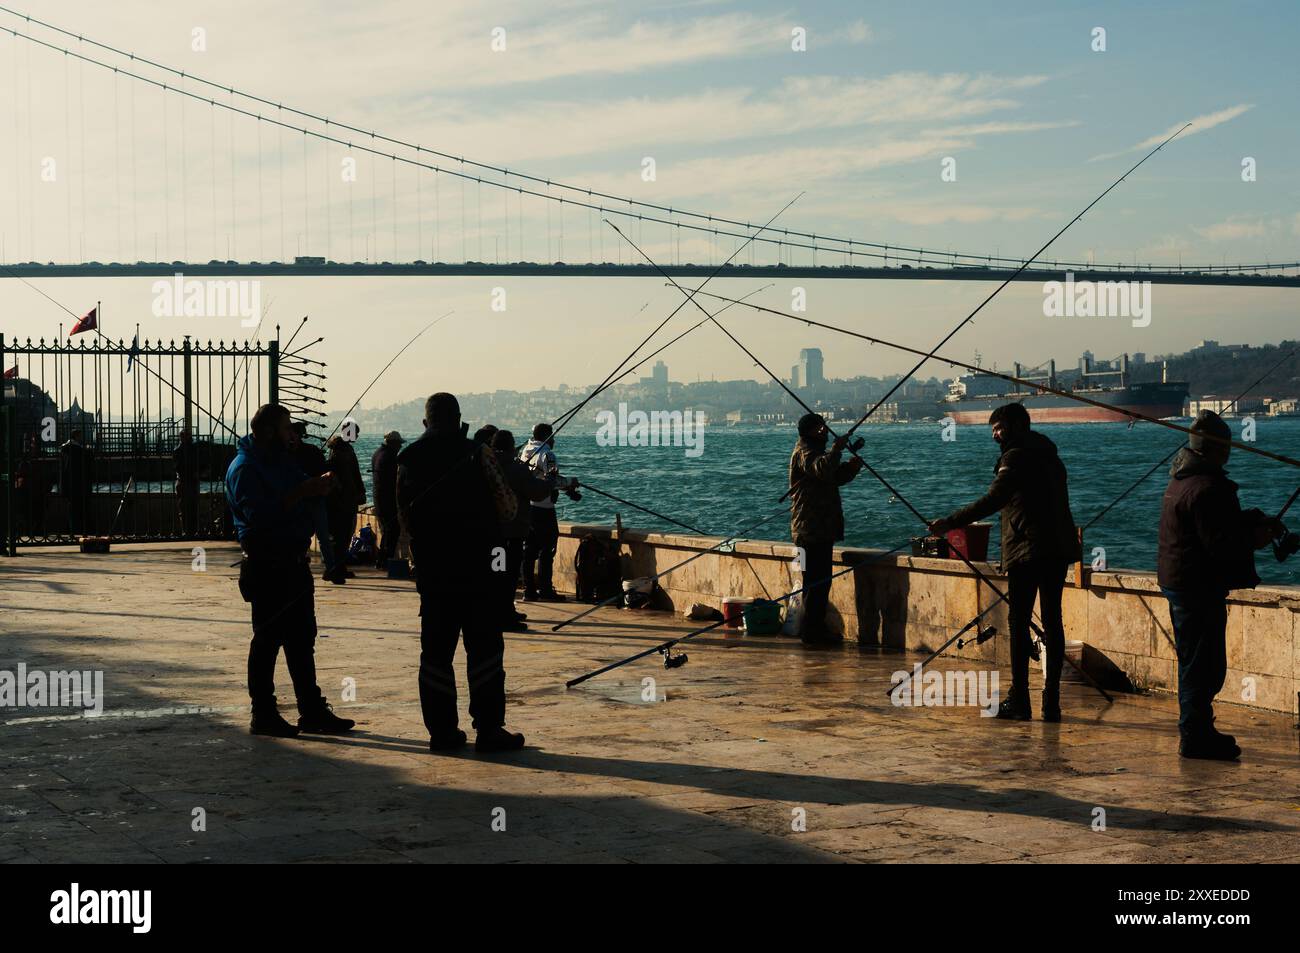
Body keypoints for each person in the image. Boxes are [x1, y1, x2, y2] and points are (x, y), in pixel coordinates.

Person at [929, 402, 1077, 722]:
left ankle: (1019, 700)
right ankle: (1051, 703)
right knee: (1053, 621)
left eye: (998, 428)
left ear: (1014, 427)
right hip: (1058, 548)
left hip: (1027, 550)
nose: (995, 435)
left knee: (1018, 622)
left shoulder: (1015, 456)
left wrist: (950, 522)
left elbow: (994, 499)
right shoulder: (1051, 456)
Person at [397, 393, 524, 753]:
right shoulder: (478, 453)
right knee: (484, 651)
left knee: (435, 655)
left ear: (425, 422)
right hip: (478, 572)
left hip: (435, 575)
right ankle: (488, 729)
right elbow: (508, 508)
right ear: (458, 419)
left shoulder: (407, 459)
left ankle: (442, 733)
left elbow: (404, 518)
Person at [1157, 410, 1285, 760]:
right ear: (1219, 449)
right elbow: (1221, 545)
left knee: (1192, 660)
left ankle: (1196, 729)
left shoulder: (1182, 480)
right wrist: (1257, 537)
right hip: (1198, 586)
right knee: (1204, 665)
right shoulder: (1210, 488)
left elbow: (1209, 527)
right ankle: (1196, 736)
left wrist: (1249, 520)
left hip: (1180, 581)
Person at [225, 403, 355, 737]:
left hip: (295, 564)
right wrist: (302, 491)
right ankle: (263, 713)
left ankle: (311, 710)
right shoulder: (244, 468)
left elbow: (302, 488)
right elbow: (260, 517)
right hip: (267, 565)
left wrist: (321, 485)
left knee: (302, 640)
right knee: (267, 640)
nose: (292, 434)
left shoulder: (282, 462)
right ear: (269, 432)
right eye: (286, 429)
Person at [788, 413, 864, 646]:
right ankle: (812, 634)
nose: (823, 430)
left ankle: (815, 630)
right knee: (814, 582)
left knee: (822, 581)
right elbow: (821, 468)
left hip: (821, 529)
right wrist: (837, 450)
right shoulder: (805, 451)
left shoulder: (817, 451)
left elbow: (832, 477)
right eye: (818, 428)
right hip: (809, 529)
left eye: (823, 427)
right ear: (808, 431)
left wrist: (851, 468)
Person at [491, 429, 554, 631]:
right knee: (508, 576)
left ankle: (501, 612)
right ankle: (505, 616)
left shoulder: (488, 466)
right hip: (512, 534)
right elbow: (536, 492)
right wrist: (550, 481)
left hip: (493, 535)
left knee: (497, 574)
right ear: (510, 446)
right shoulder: (514, 468)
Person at [519, 423, 575, 602]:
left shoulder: (526, 451)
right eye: (552, 435)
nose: (554, 439)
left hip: (529, 507)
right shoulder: (547, 454)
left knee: (529, 550)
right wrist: (571, 483)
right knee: (546, 549)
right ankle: (545, 590)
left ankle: (529, 590)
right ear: (546, 435)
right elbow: (552, 480)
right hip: (544, 509)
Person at [288, 422, 343, 585]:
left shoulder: (291, 454)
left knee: (321, 537)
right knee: (311, 536)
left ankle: (330, 568)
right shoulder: (310, 451)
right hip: (304, 499)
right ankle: (325, 568)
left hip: (312, 499)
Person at [325, 432, 366, 578]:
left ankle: (336, 567)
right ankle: (336, 568)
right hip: (342, 503)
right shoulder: (341, 457)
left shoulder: (337, 456)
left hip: (343, 502)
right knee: (341, 537)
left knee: (340, 537)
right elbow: (350, 479)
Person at [371, 431, 404, 569]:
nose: (400, 447)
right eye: (398, 444)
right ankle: (386, 559)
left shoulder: (378, 453)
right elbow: (392, 481)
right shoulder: (389, 456)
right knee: (392, 529)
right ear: (393, 443)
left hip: (379, 498)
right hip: (386, 499)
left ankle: (382, 560)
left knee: (387, 529)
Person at [58, 431, 93, 537]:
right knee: (80, 507)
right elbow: (87, 464)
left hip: (68, 484)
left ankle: (71, 529)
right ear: (77, 436)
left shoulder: (64, 449)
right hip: (79, 483)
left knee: (71, 507)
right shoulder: (79, 450)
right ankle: (79, 529)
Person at [173, 425, 201, 537]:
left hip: (183, 481)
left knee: (184, 508)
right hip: (189, 481)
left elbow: (177, 468)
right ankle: (192, 531)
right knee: (191, 507)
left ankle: (186, 531)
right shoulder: (193, 449)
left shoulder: (178, 450)